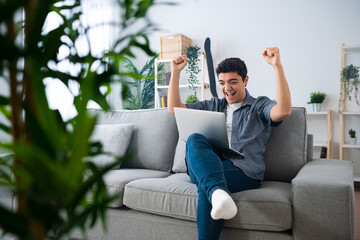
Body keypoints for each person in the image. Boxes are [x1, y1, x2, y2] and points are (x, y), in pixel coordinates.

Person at [168, 47, 291, 240]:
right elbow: (175, 109)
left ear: (245, 80)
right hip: (204, 164)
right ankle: (218, 191)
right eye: (223, 83)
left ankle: (216, 192)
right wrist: (175, 73)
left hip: (244, 171)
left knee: (207, 184)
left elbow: (282, 111)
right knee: (194, 138)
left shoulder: (259, 105)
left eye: (233, 82)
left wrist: (277, 66)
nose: (227, 88)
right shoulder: (214, 105)